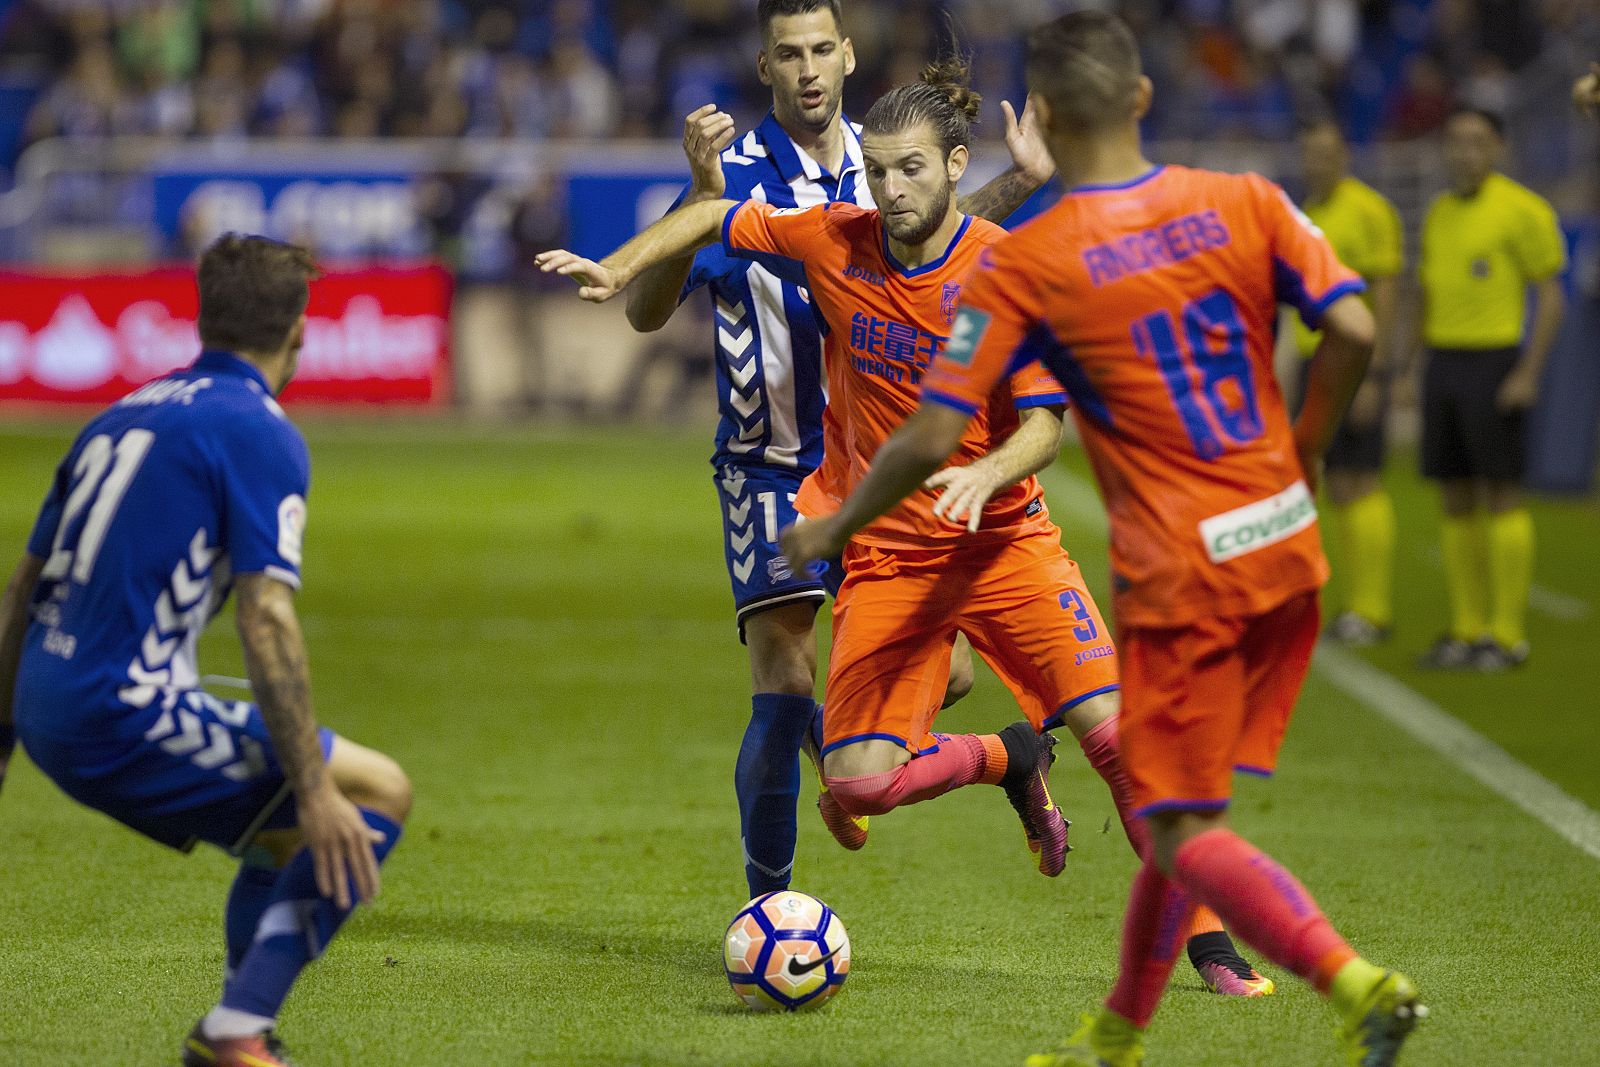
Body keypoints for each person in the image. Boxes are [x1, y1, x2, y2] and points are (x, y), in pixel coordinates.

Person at [539, 55, 1272, 996]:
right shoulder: (834, 238)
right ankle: (1006, 754)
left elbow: (1045, 428)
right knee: (856, 784)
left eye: (911, 170)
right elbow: (712, 216)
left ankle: (1213, 948)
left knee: (1122, 743)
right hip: (891, 560)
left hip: (1007, 546)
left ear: (957, 165)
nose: (889, 190)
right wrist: (618, 266)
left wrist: (988, 474)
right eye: (878, 171)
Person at [778, 13, 1425, 1066]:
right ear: (1141, 99)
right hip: (1266, 551)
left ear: (1044, 117)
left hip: (1149, 555)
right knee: (1160, 794)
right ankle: (1125, 1027)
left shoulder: (1026, 266)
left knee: (1161, 795)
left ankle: (1338, 980)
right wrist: (1303, 453)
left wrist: (840, 523)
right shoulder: (1243, 200)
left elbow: (938, 428)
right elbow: (1350, 328)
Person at [619, 0, 1056, 901]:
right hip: (771, 459)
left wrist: (1020, 180)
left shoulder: (884, 151)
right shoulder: (735, 171)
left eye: (822, 49)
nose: (809, 68)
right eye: (789, 53)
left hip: (883, 470)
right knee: (783, 680)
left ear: (849, 55)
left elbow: (931, 244)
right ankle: (768, 911)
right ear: (766, 66)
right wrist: (698, 196)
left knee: (953, 675)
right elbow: (647, 311)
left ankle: (999, 756)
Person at [0, 235, 412, 1067]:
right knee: (373, 790)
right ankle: (236, 1033)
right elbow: (266, 617)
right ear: (298, 330)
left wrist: (1, 733)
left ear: (204, 318)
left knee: (278, 836)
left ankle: (236, 1025)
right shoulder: (258, 430)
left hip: (43, 698)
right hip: (118, 709)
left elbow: (22, 590)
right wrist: (314, 787)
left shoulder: (122, 415)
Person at [1414, 108, 1566, 672]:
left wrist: (1527, 372)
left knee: (1502, 492)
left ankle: (1507, 635)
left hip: (1495, 360)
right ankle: (1467, 628)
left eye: (1477, 141)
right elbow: (1428, 292)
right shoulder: (1439, 213)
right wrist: (1413, 365)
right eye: (1456, 141)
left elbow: (1551, 297)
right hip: (1443, 359)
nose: (1465, 152)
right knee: (1454, 495)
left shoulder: (1524, 210)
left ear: (1498, 147)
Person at [1293, 120, 1404, 647]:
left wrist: (1377, 373)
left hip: (1354, 362)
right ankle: (1356, 607)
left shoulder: (1369, 211)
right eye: (1310, 154)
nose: (1317, 163)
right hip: (1315, 362)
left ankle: (1373, 610)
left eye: (1326, 153)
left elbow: (1387, 292)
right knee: (1336, 483)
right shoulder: (1308, 213)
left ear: (1345, 156)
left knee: (1361, 479)